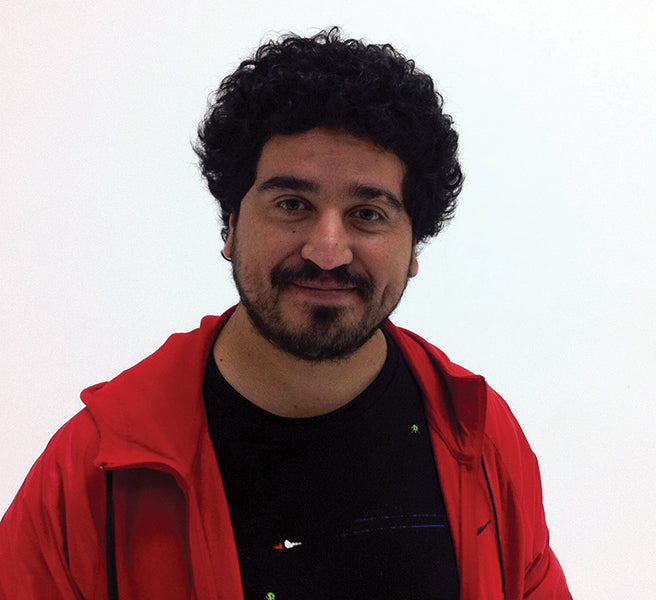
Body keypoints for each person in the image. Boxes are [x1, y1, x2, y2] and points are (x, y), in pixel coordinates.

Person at [0, 28, 571, 600]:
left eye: (368, 213)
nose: (327, 251)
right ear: (230, 226)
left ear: (414, 246)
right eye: (292, 205)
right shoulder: (91, 473)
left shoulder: (483, 439)